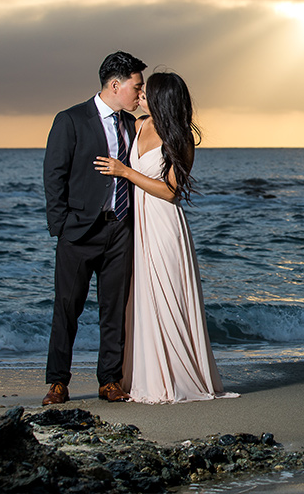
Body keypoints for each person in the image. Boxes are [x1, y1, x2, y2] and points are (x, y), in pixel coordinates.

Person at [94, 72, 237, 403]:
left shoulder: (180, 138)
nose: (141, 94)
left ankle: (176, 377)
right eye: (140, 90)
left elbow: (171, 191)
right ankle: (141, 373)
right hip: (137, 224)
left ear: (162, 98)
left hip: (163, 224)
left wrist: (126, 172)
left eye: (148, 91)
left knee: (167, 298)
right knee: (140, 298)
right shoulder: (139, 125)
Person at [42, 51, 147, 405]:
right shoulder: (70, 120)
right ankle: (57, 382)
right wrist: (61, 227)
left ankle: (110, 381)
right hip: (78, 232)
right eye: (136, 86)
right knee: (67, 308)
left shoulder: (132, 124)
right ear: (115, 85)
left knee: (113, 309)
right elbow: (54, 175)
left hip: (119, 230)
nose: (139, 92)